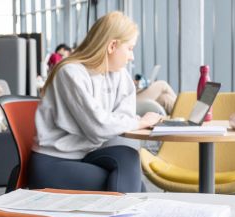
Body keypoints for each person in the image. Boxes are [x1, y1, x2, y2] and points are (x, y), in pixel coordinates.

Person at [29, 11, 163, 193]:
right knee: (133, 185)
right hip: (54, 162)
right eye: (130, 49)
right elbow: (99, 127)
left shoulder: (119, 74)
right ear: (112, 46)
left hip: (88, 154)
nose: (132, 57)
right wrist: (140, 122)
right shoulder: (70, 73)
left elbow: (123, 118)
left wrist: (119, 122)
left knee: (129, 158)